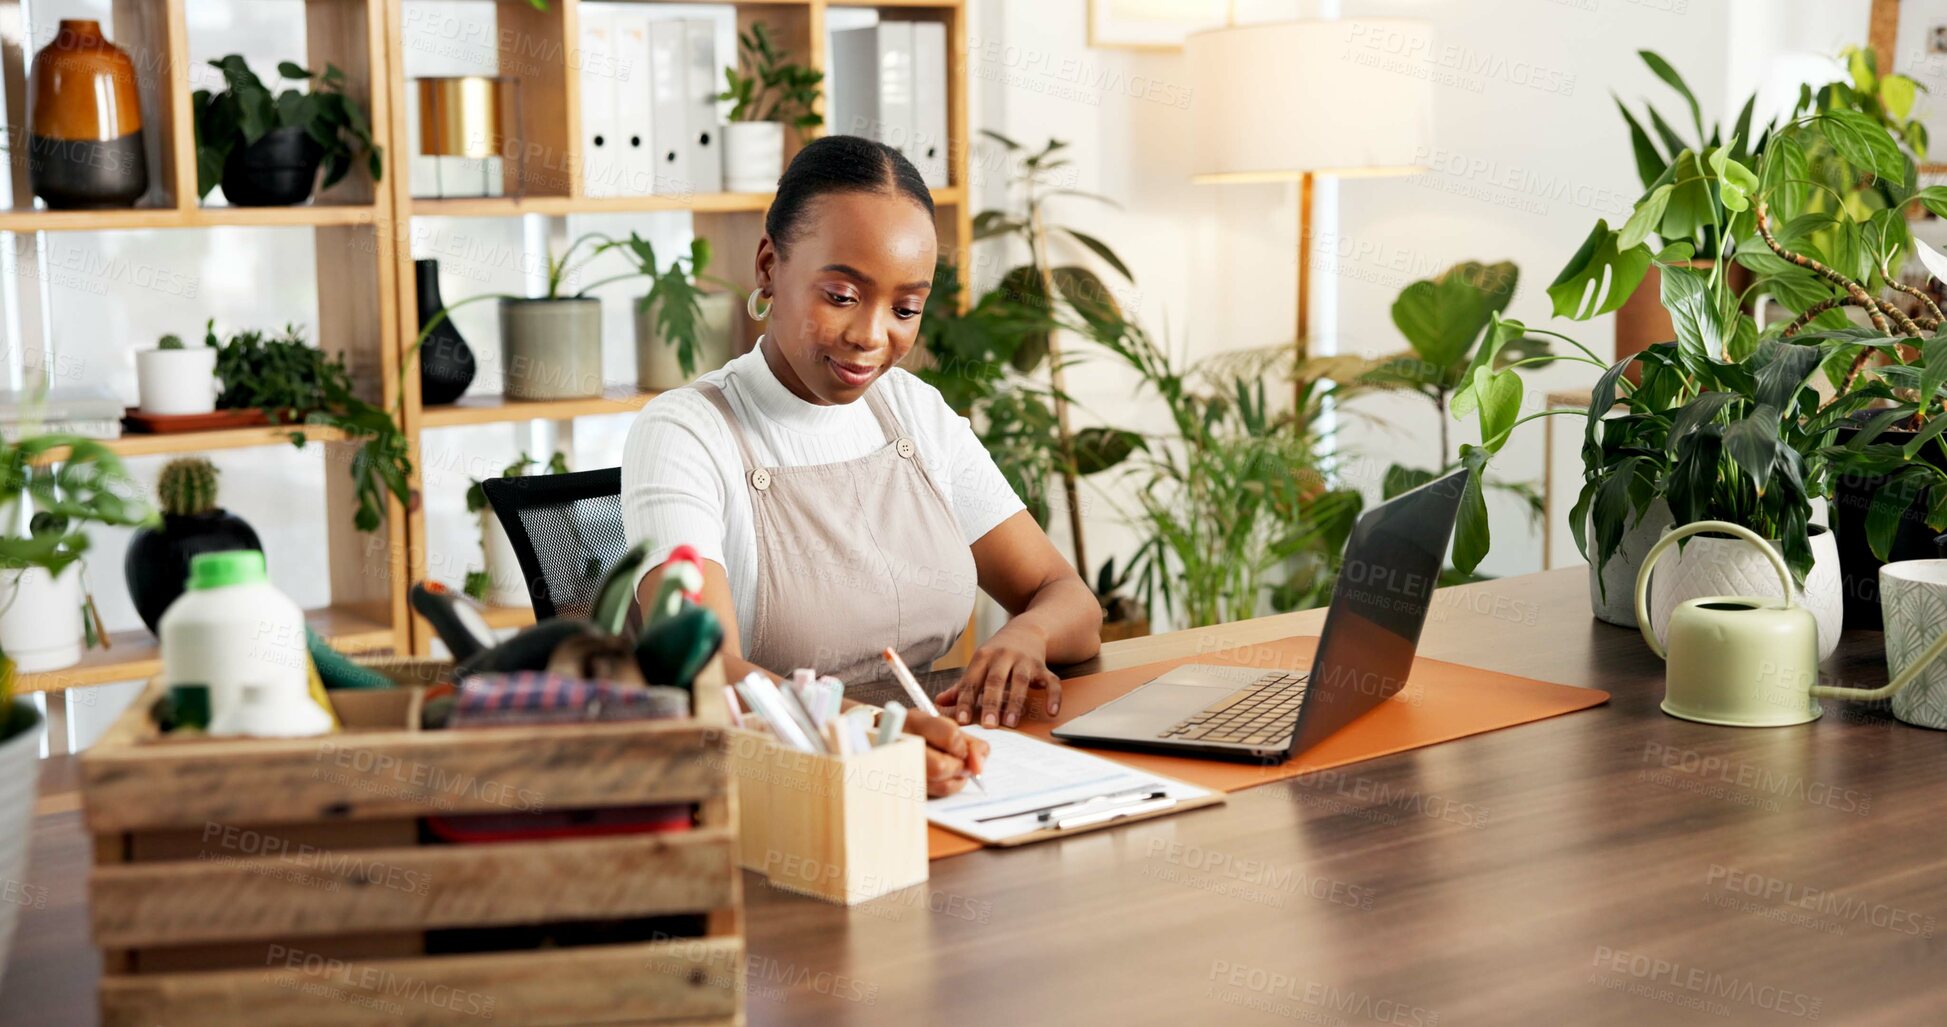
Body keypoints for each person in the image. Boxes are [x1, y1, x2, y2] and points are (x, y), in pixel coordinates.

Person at [623, 135, 1102, 796]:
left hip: (937, 775)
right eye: (843, 295)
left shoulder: (914, 411)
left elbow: (1070, 599)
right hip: (784, 797)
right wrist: (870, 737)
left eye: (905, 308)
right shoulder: (685, 431)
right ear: (768, 266)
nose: (872, 336)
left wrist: (1026, 636)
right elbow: (698, 671)